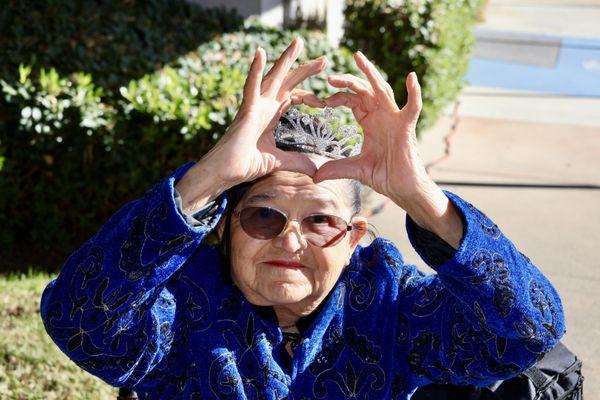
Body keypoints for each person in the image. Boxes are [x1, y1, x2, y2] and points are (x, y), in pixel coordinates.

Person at [40, 37, 565, 399]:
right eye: (264, 217)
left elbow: (530, 331)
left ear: (356, 237)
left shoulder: (389, 305)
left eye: (319, 222)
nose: (291, 241)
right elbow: (77, 319)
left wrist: (422, 196)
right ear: (223, 226)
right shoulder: (182, 305)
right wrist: (208, 178)